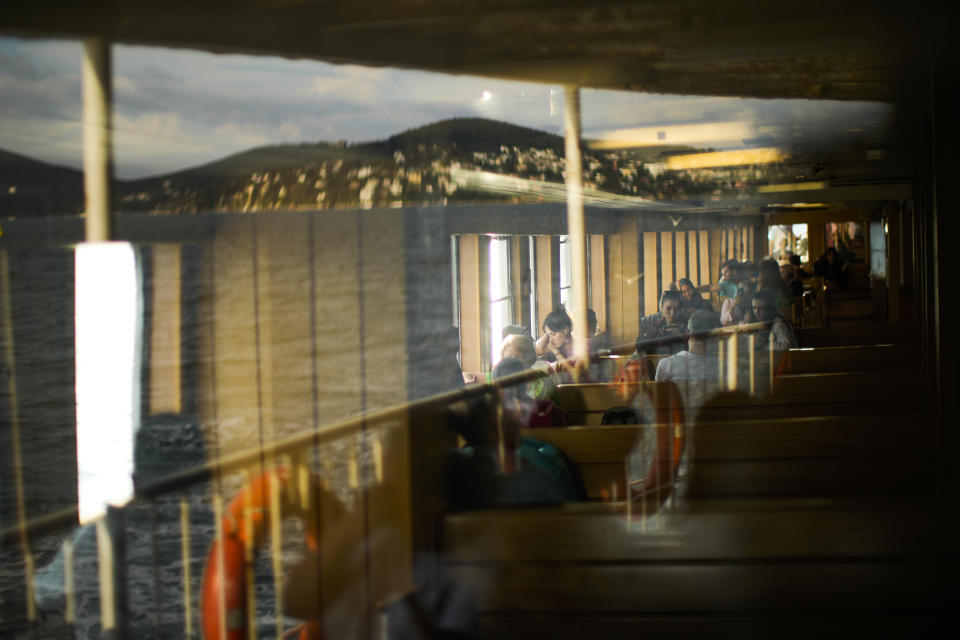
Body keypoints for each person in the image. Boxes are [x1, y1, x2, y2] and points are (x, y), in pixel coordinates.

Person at [654, 310, 722, 419]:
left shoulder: (666, 366)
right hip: (717, 430)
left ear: (687, 333)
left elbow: (659, 408)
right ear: (715, 337)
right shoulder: (725, 367)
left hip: (677, 430)